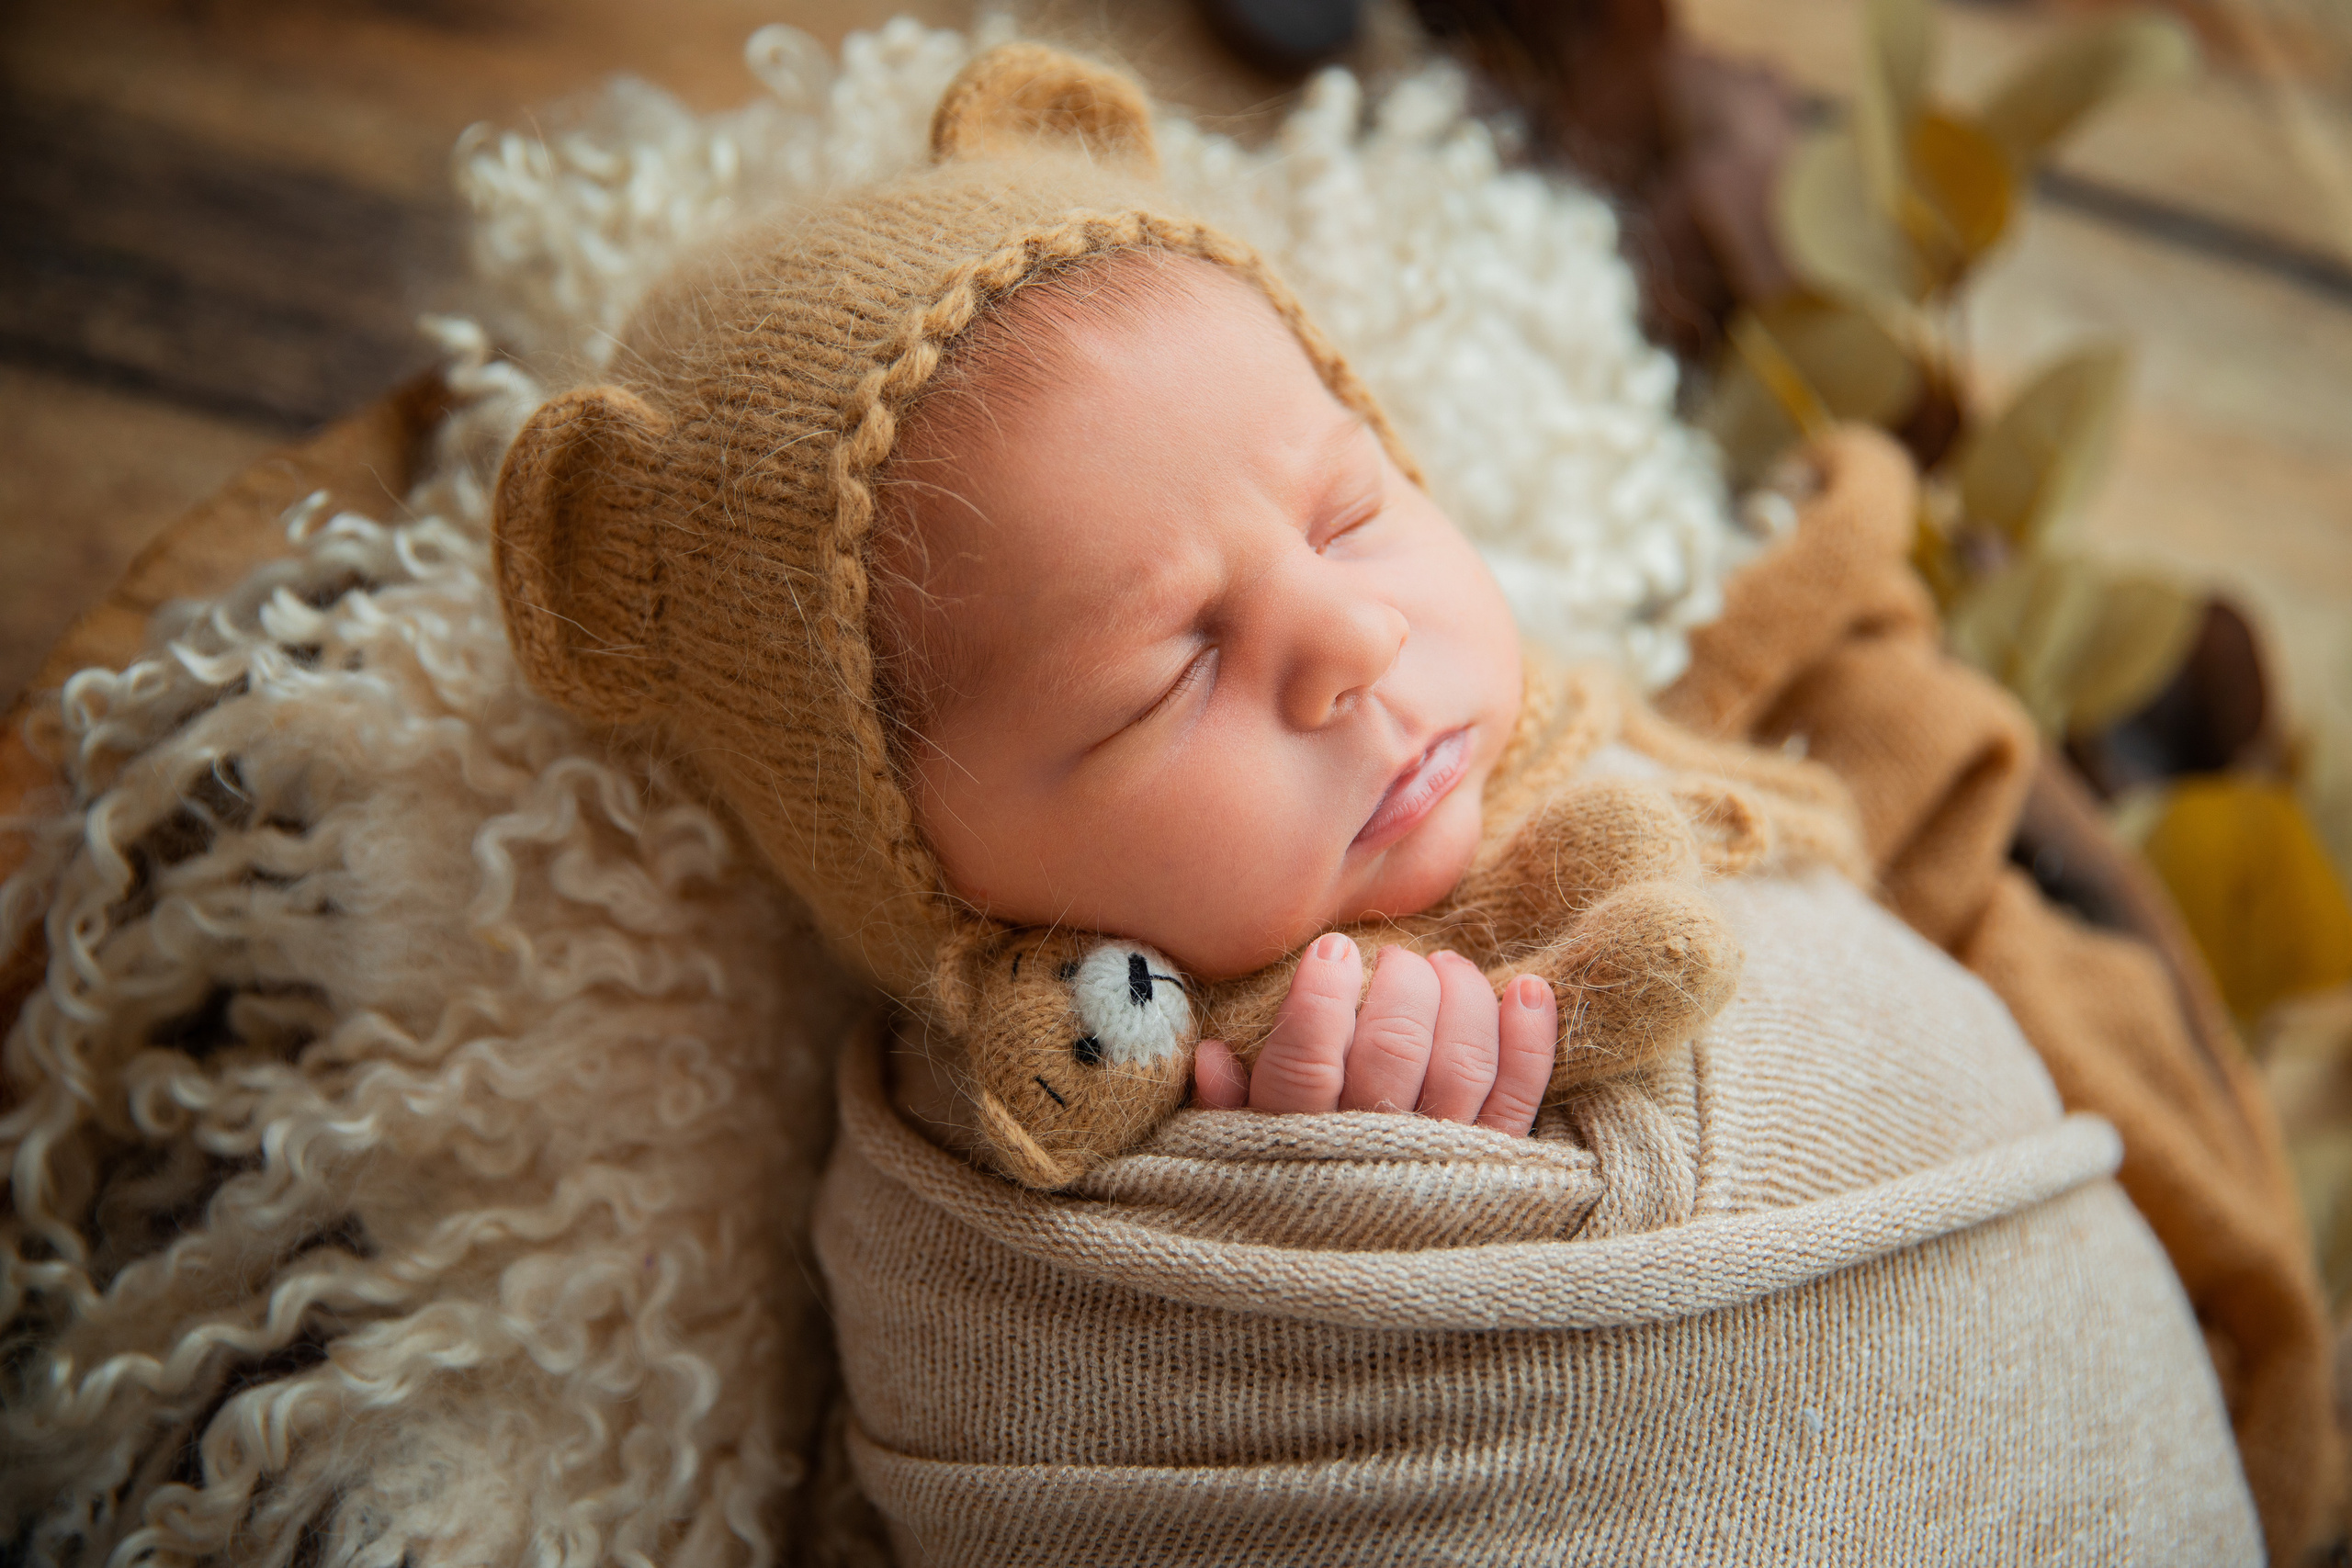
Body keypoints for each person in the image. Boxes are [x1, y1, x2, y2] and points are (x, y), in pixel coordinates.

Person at [492, 40, 2262, 1564]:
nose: (1353, 634)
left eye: (1350, 513)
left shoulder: (1597, 740)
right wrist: (1368, 1200)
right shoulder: (1033, 1199)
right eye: (1167, 671)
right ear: (927, 867)